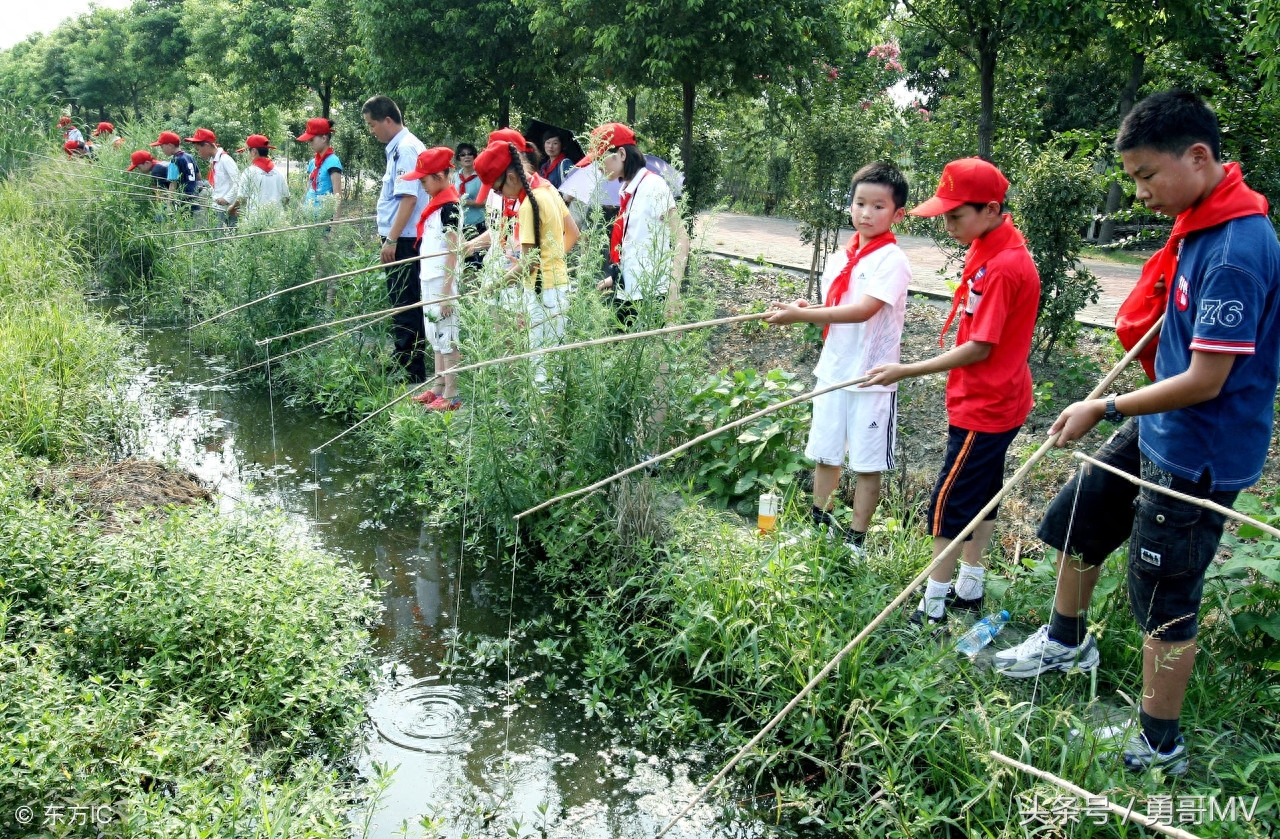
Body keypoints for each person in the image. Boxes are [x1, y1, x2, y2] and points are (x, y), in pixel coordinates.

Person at [992, 91, 1279, 776]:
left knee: (1163, 595)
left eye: (1147, 176)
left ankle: (1158, 742)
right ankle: (1066, 643)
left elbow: (1207, 379)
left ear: (1199, 157)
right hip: (1162, 426)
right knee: (1077, 520)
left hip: (1196, 450)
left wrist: (1107, 406)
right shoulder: (1203, 223)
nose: (1140, 192)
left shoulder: (1238, 248)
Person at [861, 157, 1041, 627]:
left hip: (987, 403)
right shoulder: (990, 247)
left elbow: (980, 347)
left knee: (949, 500)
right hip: (995, 396)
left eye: (956, 215)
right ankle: (970, 586)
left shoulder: (1003, 266)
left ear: (992, 208)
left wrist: (907, 369)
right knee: (983, 492)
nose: (948, 225)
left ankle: (933, 604)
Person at [766, 162, 912, 558]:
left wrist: (804, 315)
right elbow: (835, 306)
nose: (866, 213)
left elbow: (862, 310)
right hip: (832, 369)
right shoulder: (842, 257)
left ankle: (856, 541)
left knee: (866, 462)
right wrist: (803, 307)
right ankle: (821, 524)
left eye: (878, 206)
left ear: (897, 214)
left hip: (871, 375)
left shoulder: (892, 260)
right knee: (826, 453)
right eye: (860, 203)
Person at [474, 139, 580, 386]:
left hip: (542, 293)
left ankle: (544, 423)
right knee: (553, 367)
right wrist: (550, 261)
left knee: (541, 373)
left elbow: (529, 264)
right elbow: (573, 233)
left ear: (511, 177)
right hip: (559, 287)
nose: (499, 195)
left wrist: (494, 285)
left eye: (498, 190)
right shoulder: (548, 189)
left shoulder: (528, 205)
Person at [586, 123, 690, 329]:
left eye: (600, 158)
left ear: (621, 154)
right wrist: (615, 277)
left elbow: (681, 237)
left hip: (652, 293)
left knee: (655, 356)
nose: (598, 166)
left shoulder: (653, 185)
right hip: (628, 291)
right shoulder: (626, 190)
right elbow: (634, 243)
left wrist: (673, 289)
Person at [363, 95, 430, 383]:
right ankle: (404, 360)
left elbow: (408, 199)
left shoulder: (406, 149)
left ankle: (412, 370)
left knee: (406, 302)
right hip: (399, 237)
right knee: (402, 301)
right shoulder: (398, 148)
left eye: (372, 124)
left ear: (388, 120)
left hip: (404, 239)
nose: (371, 130)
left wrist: (390, 240)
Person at [400, 147, 464, 411]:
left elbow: (452, 248)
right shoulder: (435, 204)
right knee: (434, 334)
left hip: (443, 281)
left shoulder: (450, 206)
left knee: (447, 335)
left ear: (439, 176)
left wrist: (448, 290)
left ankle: (452, 393)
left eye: (424, 180)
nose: (422, 185)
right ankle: (438, 385)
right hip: (429, 277)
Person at [187, 128, 239, 227]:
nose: (199, 153)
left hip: (227, 208)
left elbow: (238, 183)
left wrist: (226, 199)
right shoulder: (213, 161)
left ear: (206, 145)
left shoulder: (225, 160)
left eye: (198, 149)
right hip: (216, 207)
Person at [297, 117, 344, 216]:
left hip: (324, 223)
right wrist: (299, 210)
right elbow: (308, 188)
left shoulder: (333, 162)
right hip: (308, 220)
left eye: (312, 140)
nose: (309, 143)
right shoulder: (313, 162)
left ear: (323, 138)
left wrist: (334, 228)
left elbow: (337, 196)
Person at [234, 135, 289, 218]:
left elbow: (242, 199)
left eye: (246, 152)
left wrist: (232, 208)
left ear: (253, 151)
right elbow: (286, 198)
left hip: (255, 220)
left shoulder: (249, 172)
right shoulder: (279, 171)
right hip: (277, 221)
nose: (247, 156)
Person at [150, 130, 200, 212]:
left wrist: (169, 204)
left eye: (162, 147)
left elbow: (173, 184)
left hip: (183, 199)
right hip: (195, 196)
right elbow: (198, 176)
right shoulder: (190, 157)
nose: (162, 150)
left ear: (170, 145)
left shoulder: (174, 161)